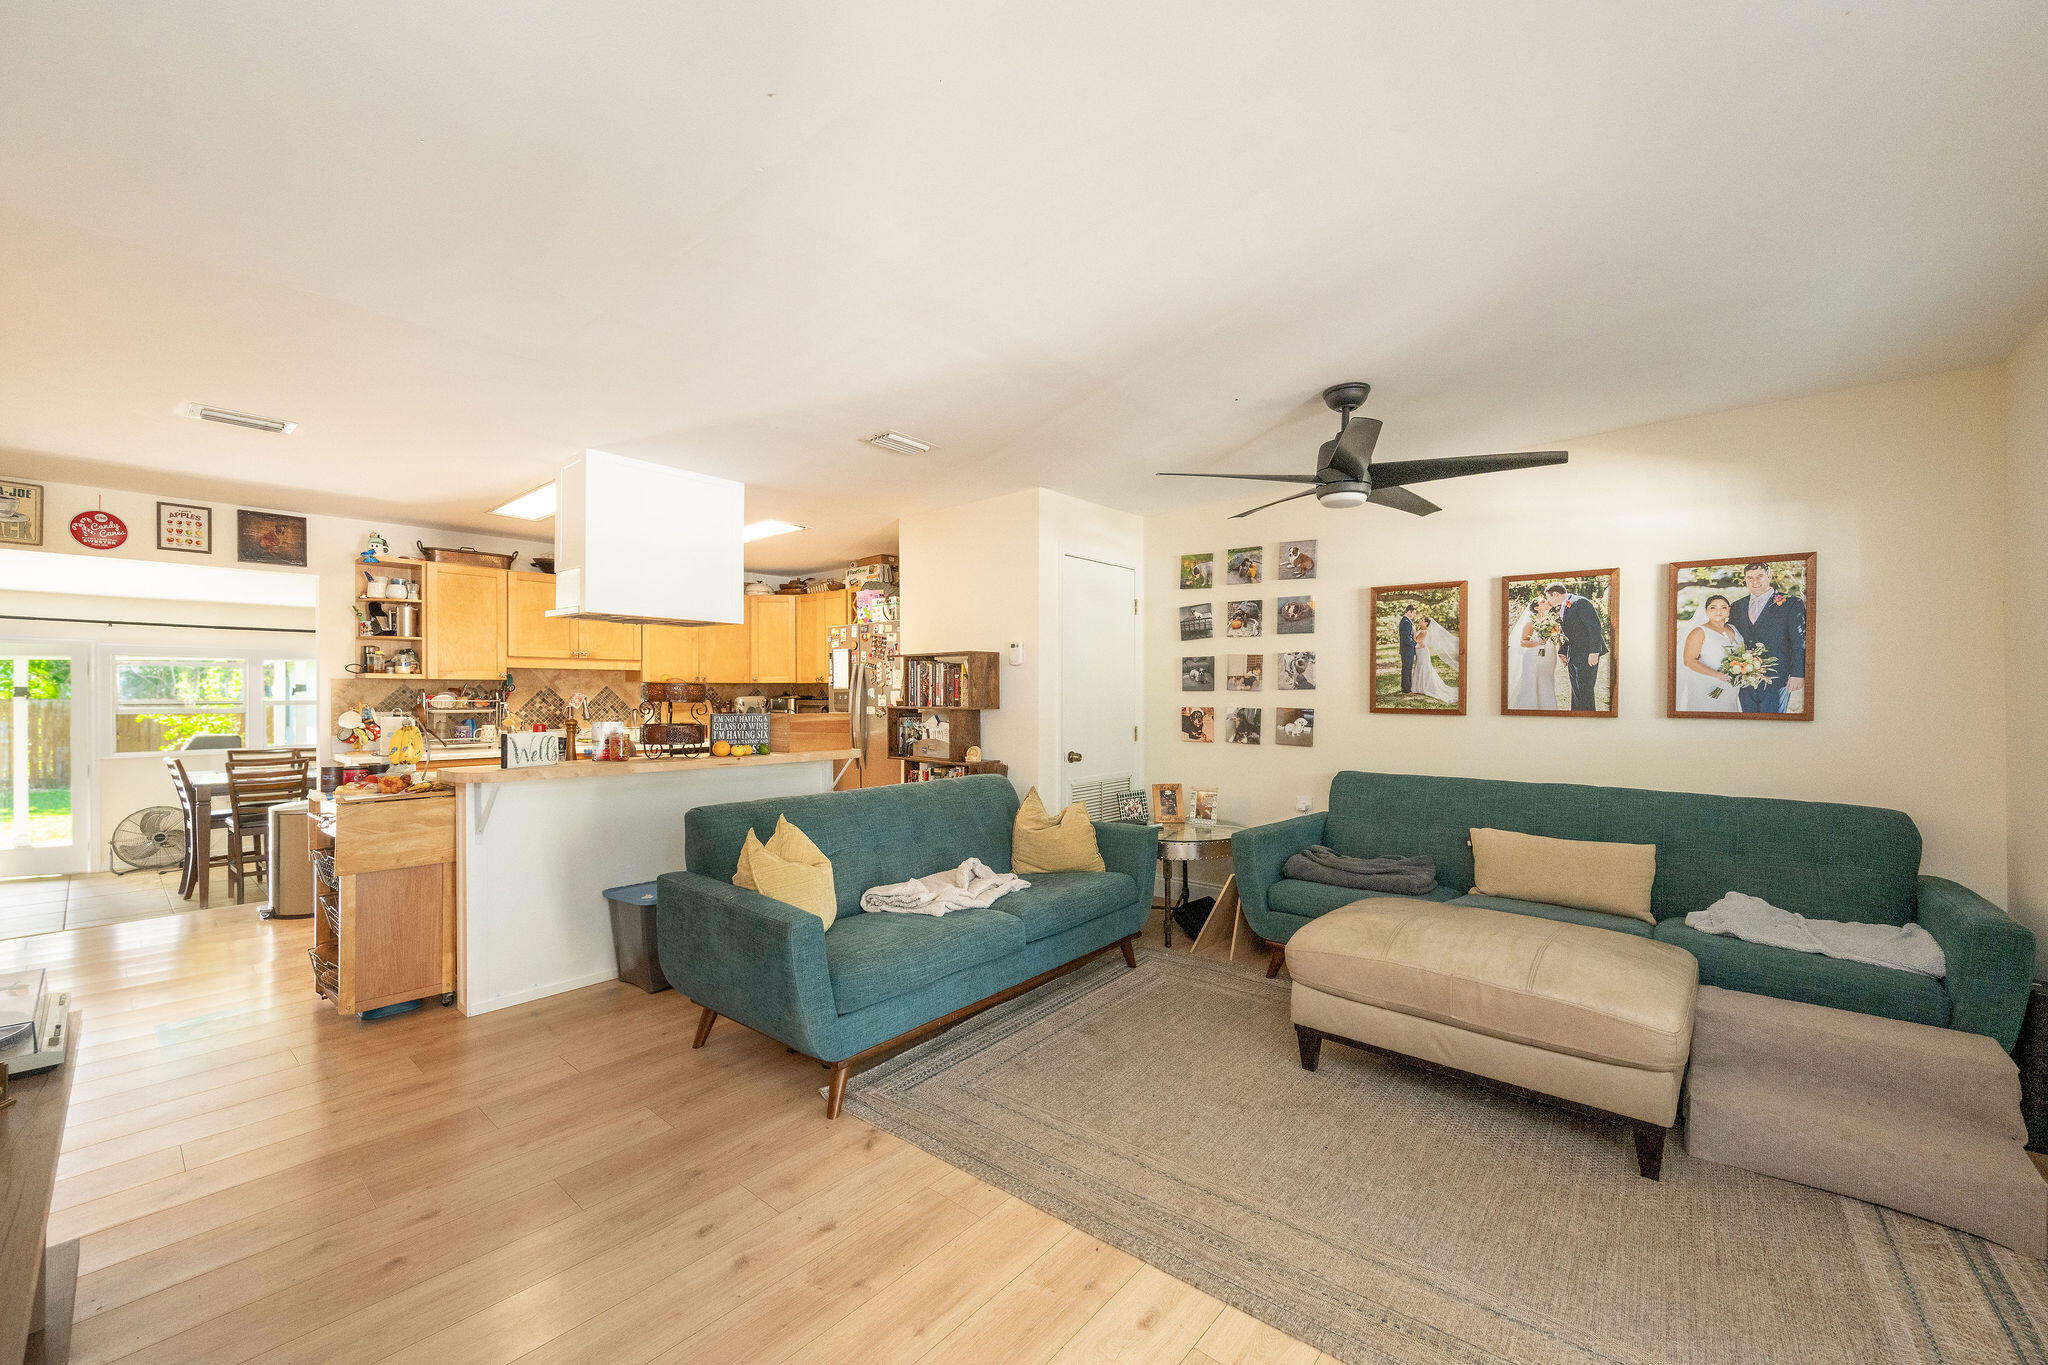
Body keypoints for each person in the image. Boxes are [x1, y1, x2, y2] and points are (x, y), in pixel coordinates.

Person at [1732, 562, 1806, 713]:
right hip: (1745, 677)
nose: (1755, 581)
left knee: (1774, 721)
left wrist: (1798, 674)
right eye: (1750, 578)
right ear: (1745, 579)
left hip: (1778, 677)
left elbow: (1799, 640)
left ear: (1769, 576)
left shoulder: (1791, 603)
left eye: (1760, 576)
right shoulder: (1736, 606)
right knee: (1749, 720)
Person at [1678, 594, 1746, 712]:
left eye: (1723, 607)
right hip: (1707, 685)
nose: (1718, 611)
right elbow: (1689, 660)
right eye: (1713, 607)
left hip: (1731, 686)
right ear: (1706, 611)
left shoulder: (1733, 628)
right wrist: (1718, 675)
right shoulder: (1699, 632)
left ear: (1729, 610)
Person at [1545, 582, 1606, 711]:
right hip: (1573, 654)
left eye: (1548, 597)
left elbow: (1594, 627)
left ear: (1555, 594)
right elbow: (1571, 633)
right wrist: (1562, 651)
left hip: (1586, 654)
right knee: (1576, 692)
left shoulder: (1580, 602)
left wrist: (1594, 652)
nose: (1548, 601)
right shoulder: (1563, 607)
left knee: (1585, 692)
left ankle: (1589, 719)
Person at [1508, 594, 1562, 710]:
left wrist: (1561, 653)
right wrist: (1537, 643)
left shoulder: (1551, 621)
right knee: (1532, 682)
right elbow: (1523, 642)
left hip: (1549, 657)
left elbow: (1556, 639)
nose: (1547, 602)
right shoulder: (1530, 623)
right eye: (1543, 601)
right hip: (1533, 657)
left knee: (1547, 681)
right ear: (1537, 608)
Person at [1412, 613, 1459, 704]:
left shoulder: (1424, 632)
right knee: (1420, 667)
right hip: (1420, 651)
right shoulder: (1421, 630)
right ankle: (1418, 686)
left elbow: (1416, 640)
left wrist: (1413, 631)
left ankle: (1425, 686)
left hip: (1423, 653)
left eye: (1422, 620)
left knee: (1424, 667)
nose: (1420, 621)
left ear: (1426, 623)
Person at [1398, 604, 1418, 693]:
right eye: (1414, 613)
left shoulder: (1406, 621)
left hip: (1406, 650)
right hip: (1407, 650)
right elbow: (1406, 638)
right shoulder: (1406, 622)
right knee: (1407, 669)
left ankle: (1405, 688)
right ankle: (1406, 690)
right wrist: (1415, 644)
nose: (1414, 615)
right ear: (1409, 611)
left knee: (1406, 669)